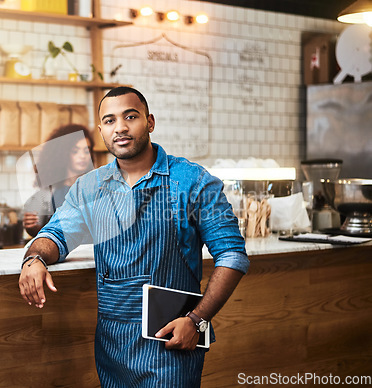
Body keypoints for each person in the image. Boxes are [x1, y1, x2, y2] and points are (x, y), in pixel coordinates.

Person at [19, 87, 249, 387]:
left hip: (172, 343)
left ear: (149, 122)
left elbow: (232, 254)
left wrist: (198, 320)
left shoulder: (193, 181)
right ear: (101, 130)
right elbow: (55, 235)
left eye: (131, 116)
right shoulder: (89, 187)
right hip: (111, 349)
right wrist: (35, 259)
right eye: (110, 120)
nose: (121, 127)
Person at [22, 124, 94, 237]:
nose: (82, 156)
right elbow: (41, 234)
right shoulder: (47, 193)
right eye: (75, 151)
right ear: (64, 154)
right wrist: (32, 227)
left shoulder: (96, 187)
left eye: (86, 151)